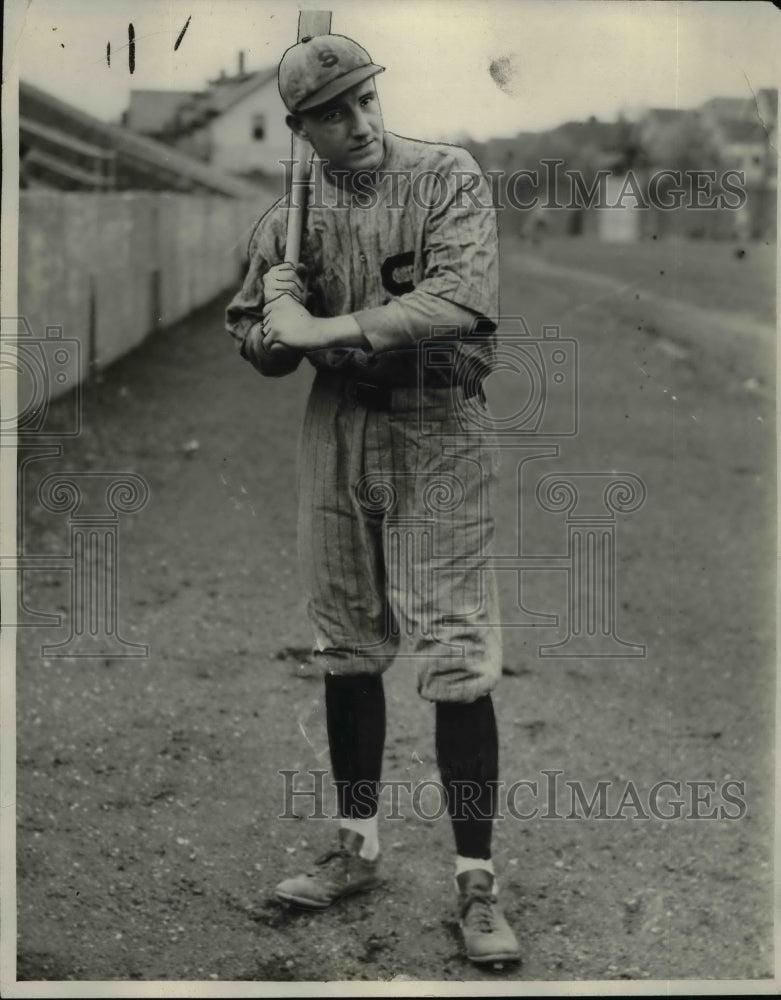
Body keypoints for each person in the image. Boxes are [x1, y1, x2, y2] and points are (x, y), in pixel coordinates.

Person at [225, 33, 520, 966]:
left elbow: (458, 303)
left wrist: (327, 322)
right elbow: (259, 344)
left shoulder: (445, 177)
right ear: (300, 127)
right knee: (346, 639)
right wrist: (275, 321)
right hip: (338, 423)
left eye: (366, 101)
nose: (358, 122)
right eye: (333, 112)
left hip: (439, 422)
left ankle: (477, 881)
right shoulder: (286, 220)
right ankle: (356, 844)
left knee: (456, 648)